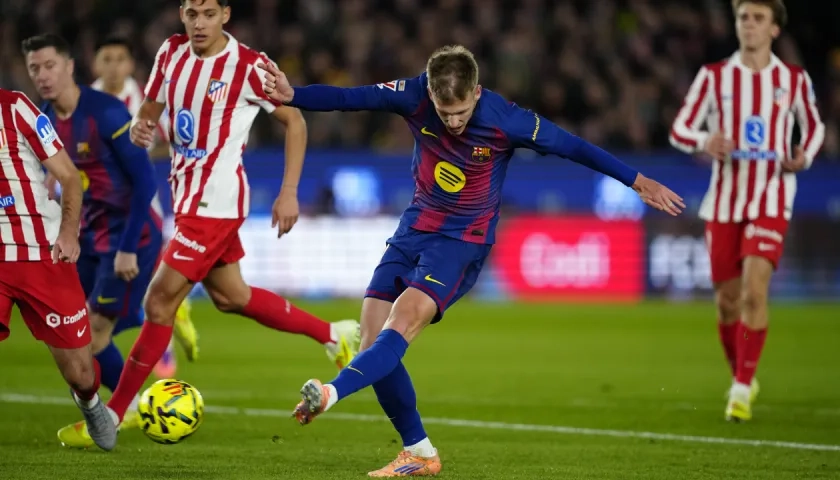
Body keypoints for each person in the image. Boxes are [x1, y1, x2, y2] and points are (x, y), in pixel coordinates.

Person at [257, 45, 684, 476]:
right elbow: (352, 98)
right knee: (371, 337)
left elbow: (573, 147)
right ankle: (420, 452)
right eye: (445, 114)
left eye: (461, 112)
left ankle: (330, 393)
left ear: (476, 93)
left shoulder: (506, 119)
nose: (454, 122)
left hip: (463, 240)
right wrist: (295, 95)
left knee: (401, 322)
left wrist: (637, 180)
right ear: (432, 95)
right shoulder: (414, 95)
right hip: (415, 227)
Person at [54, 0, 361, 449]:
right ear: (182, 14)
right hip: (187, 202)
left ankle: (112, 418)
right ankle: (334, 335)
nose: (199, 23)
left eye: (209, 14)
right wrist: (143, 130)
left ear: (226, 15)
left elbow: (294, 121)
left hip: (215, 205)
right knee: (231, 297)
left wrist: (289, 191)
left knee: (159, 303)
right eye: (192, 13)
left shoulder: (250, 66)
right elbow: (150, 117)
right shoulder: (170, 54)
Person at [669, 0, 824, 423]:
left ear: (774, 29)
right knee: (727, 303)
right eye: (743, 18)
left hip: (772, 195)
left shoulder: (793, 80)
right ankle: (742, 374)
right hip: (725, 201)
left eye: (758, 19)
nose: (749, 25)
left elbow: (814, 128)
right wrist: (704, 141)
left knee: (756, 291)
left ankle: (740, 388)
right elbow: (680, 127)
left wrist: (803, 156)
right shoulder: (714, 77)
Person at [22, 33, 164, 441]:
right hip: (86, 241)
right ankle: (132, 395)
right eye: (35, 69)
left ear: (69, 65)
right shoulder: (42, 121)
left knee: (96, 332)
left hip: (128, 237)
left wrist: (125, 249)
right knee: (71, 334)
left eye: (50, 66)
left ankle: (130, 410)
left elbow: (145, 182)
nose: (43, 76)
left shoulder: (105, 112)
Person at [0, 87, 117, 451]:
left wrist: (69, 232)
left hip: (43, 253)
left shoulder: (16, 107)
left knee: (81, 374)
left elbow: (68, 176)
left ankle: (90, 403)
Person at [92, 35, 199, 379]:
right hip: (97, 210)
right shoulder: (84, 101)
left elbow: (174, 141)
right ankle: (168, 320)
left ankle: (160, 347)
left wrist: (135, 156)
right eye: (106, 58)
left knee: (137, 285)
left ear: (130, 65)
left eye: (119, 58)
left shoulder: (146, 99)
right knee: (102, 295)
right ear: (96, 64)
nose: (112, 65)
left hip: (141, 206)